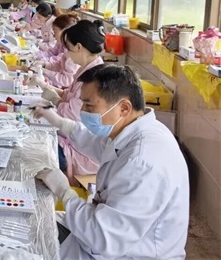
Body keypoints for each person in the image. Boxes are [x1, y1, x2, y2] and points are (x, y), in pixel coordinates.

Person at [34, 64, 189, 260]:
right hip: (108, 235)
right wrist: (59, 121)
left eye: (90, 106)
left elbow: (104, 238)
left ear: (124, 108)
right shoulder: (134, 130)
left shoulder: (142, 162)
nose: (82, 111)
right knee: (39, 221)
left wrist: (64, 192)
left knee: (30, 243)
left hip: (127, 253)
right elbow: (97, 143)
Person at [32, 20, 105, 180]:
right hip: (71, 137)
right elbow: (71, 95)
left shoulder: (95, 79)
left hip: (80, 150)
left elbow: (71, 114)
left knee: (33, 150)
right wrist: (48, 88)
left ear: (79, 47)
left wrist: (54, 100)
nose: (68, 54)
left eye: (69, 49)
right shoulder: (86, 69)